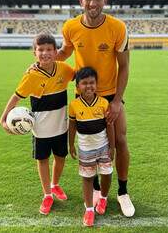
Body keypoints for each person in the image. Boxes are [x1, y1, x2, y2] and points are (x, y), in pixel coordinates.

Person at [58, 0, 135, 217]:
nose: (93, 3)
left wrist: (116, 101)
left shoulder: (118, 28)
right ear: (81, 0)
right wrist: (40, 62)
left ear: (105, 0)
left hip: (110, 94)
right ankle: (98, 190)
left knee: (120, 141)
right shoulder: (70, 27)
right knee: (90, 144)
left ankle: (122, 192)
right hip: (83, 97)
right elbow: (64, 52)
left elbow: (124, 67)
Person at [0, 33, 74, 215]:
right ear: (34, 52)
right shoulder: (31, 76)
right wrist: (3, 118)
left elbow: (80, 77)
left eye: (49, 49)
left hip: (61, 126)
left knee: (60, 157)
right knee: (42, 160)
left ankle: (55, 184)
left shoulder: (64, 69)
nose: (45, 53)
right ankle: (47, 194)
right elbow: (16, 97)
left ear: (56, 52)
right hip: (40, 129)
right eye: (40, 50)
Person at [69, 67, 115, 227]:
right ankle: (89, 209)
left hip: (103, 146)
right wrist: (71, 144)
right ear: (77, 87)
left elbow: (110, 126)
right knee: (87, 178)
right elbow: (72, 125)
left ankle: (103, 198)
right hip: (85, 149)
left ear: (97, 84)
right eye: (84, 83)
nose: (89, 86)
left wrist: (112, 146)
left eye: (92, 83)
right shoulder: (74, 105)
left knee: (106, 174)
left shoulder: (103, 103)